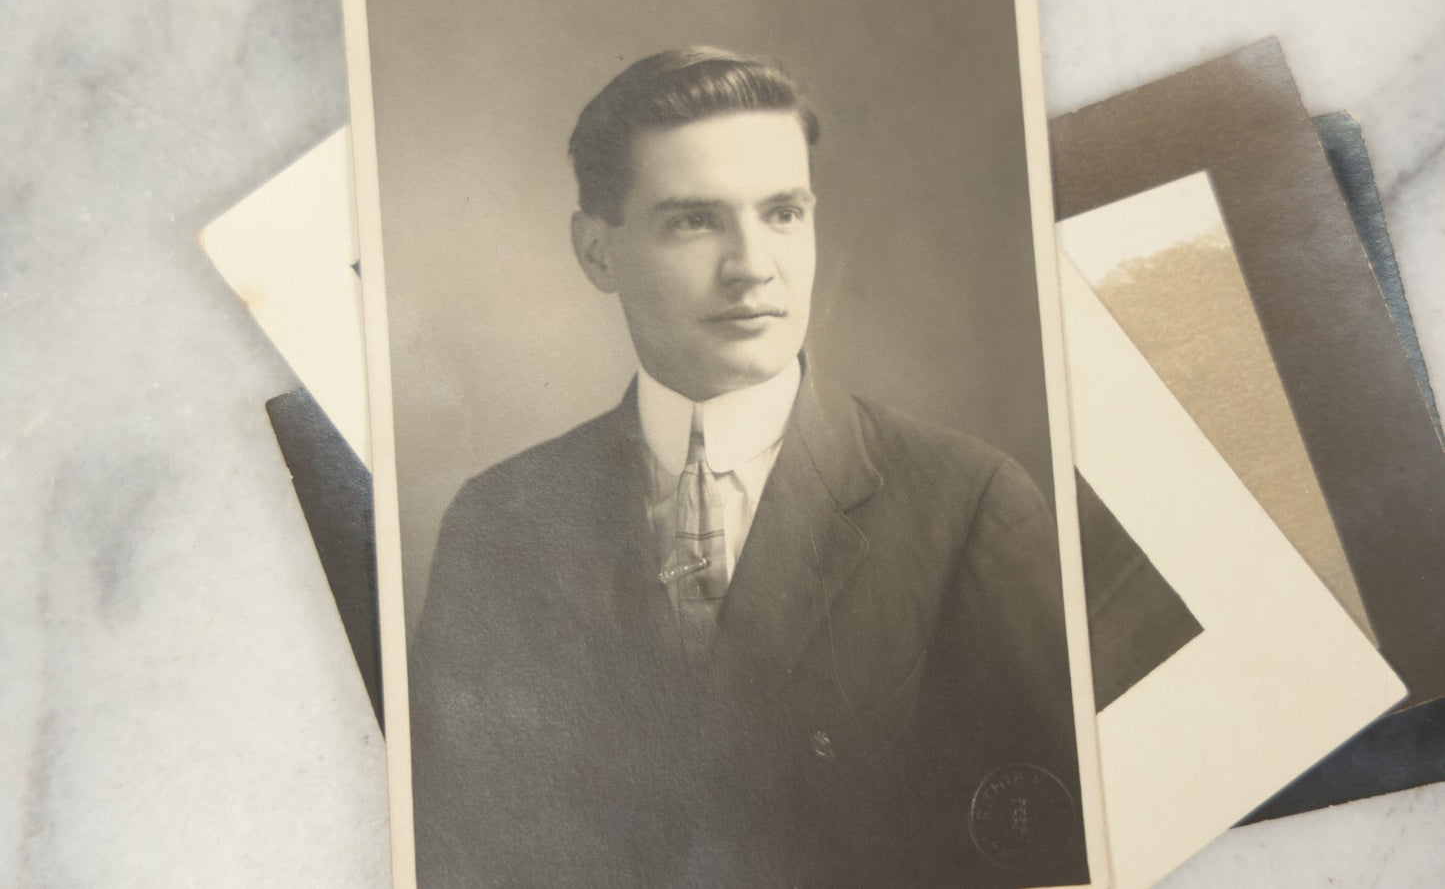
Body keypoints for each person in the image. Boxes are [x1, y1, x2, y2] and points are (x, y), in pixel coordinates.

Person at [407, 47, 1088, 888]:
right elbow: (453, 849)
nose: (752, 266)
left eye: (782, 213)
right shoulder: (501, 523)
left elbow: (1051, 855)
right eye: (694, 220)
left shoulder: (968, 505)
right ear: (596, 252)